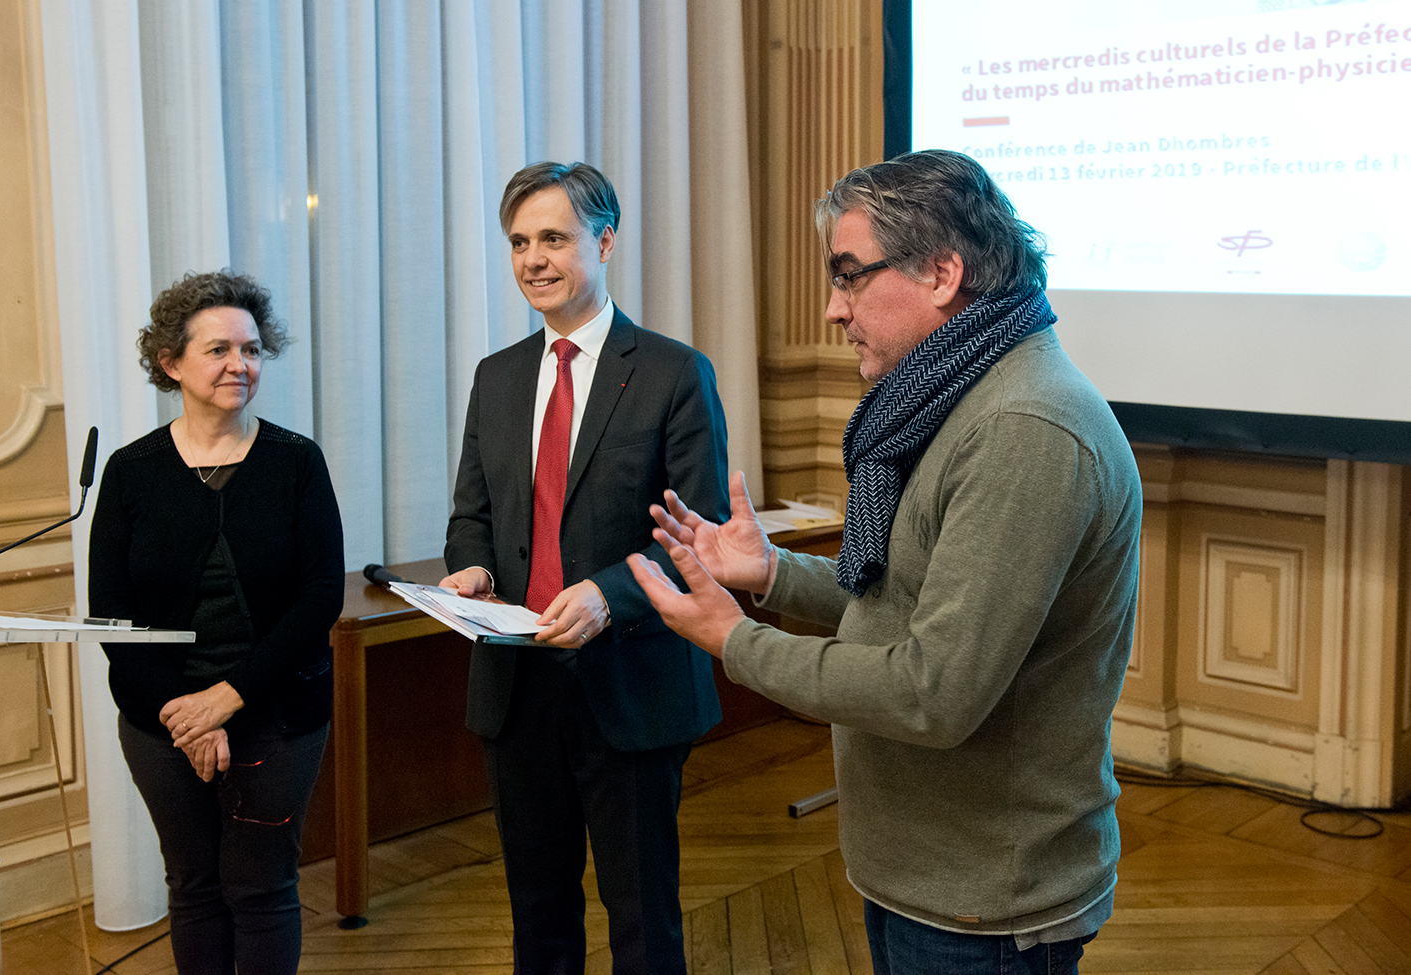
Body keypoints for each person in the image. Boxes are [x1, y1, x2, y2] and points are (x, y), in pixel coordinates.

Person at [628, 150, 1142, 975]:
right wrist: (771, 578)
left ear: (943, 272)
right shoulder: (952, 397)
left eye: (850, 276)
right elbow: (905, 604)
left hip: (986, 901)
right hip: (930, 875)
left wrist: (735, 640)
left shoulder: (1022, 428)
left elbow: (933, 691)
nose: (833, 310)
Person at [441, 161, 729, 974]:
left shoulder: (675, 372)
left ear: (604, 241)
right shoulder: (495, 378)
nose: (534, 258)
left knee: (642, 916)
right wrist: (470, 572)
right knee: (537, 910)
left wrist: (607, 595)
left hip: (629, 684)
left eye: (554, 238)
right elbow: (474, 514)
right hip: (516, 683)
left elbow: (698, 534)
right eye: (520, 241)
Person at [89, 270, 345, 975]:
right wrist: (184, 714)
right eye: (219, 350)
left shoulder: (296, 462)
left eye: (253, 349)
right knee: (195, 885)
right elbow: (111, 614)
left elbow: (320, 597)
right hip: (161, 721)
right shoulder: (130, 470)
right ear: (171, 362)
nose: (242, 364)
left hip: (279, 713)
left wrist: (227, 699)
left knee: (262, 887)